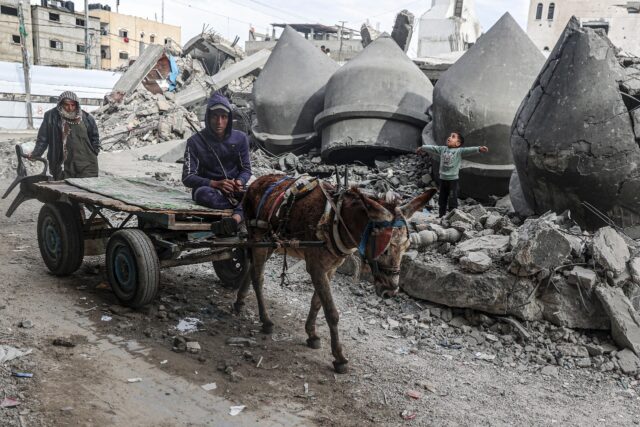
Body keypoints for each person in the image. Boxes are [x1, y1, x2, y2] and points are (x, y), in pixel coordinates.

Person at [182, 93, 251, 233]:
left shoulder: (241, 138)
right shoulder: (195, 142)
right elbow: (187, 177)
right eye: (215, 116)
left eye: (224, 117)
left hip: (234, 189)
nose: (219, 122)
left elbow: (246, 169)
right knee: (203, 194)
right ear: (208, 117)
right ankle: (241, 212)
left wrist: (239, 182)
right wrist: (214, 183)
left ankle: (234, 220)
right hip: (209, 189)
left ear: (229, 118)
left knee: (256, 193)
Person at [28, 91, 100, 180]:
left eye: (73, 105)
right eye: (66, 105)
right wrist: (36, 153)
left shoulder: (86, 118)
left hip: (86, 163)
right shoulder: (51, 116)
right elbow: (43, 138)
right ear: (60, 104)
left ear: (77, 105)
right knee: (64, 189)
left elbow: (94, 137)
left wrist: (95, 151)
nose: (70, 108)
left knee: (86, 190)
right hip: (63, 163)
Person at [417, 131, 488, 218]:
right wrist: (423, 147)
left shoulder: (459, 151)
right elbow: (433, 148)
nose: (449, 137)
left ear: (458, 143)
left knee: (452, 198)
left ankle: (452, 216)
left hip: (453, 180)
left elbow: (469, 150)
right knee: (442, 198)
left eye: (453, 137)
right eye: (450, 136)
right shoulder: (442, 149)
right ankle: (441, 215)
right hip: (443, 179)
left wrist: (479, 149)